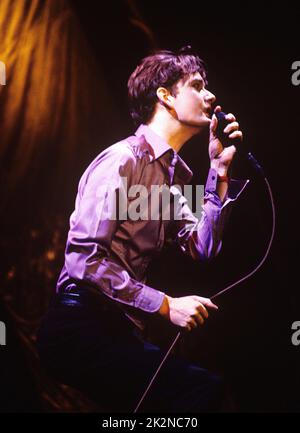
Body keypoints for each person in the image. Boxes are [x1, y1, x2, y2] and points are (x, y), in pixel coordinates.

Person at [37, 46, 248, 412]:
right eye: (197, 85)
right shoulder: (123, 160)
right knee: (202, 391)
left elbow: (203, 247)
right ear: (165, 96)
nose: (210, 96)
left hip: (118, 328)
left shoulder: (169, 180)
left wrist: (219, 171)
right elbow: (83, 260)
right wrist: (166, 305)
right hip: (80, 322)